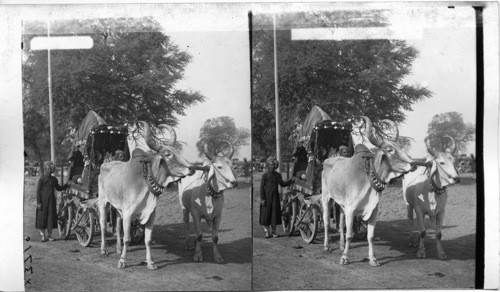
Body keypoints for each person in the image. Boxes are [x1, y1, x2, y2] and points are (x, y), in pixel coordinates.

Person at [259, 157, 294, 238]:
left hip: (275, 197)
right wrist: (262, 199)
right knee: (266, 214)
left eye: (273, 165)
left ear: (275, 166)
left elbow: (282, 184)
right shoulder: (264, 176)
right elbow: (261, 188)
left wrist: (290, 181)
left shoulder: (278, 175)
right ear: (267, 166)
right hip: (266, 198)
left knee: (274, 214)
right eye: (270, 165)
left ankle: (274, 232)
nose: (272, 166)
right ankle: (267, 232)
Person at [36, 161, 69, 242]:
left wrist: (67, 185)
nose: (48, 170)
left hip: (51, 202)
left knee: (50, 218)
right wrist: (39, 203)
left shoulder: (54, 179)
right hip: (43, 202)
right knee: (42, 218)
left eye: (50, 169)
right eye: (47, 169)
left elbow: (58, 188)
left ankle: (50, 235)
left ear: (52, 170)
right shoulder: (42, 179)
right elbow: (38, 192)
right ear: (44, 169)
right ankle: (43, 236)